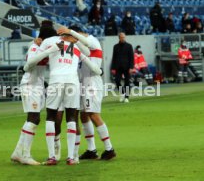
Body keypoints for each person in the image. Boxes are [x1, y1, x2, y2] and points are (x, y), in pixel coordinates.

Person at [57, 26, 116, 161]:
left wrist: (71, 34)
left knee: (93, 114)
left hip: (92, 82)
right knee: (84, 115)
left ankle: (109, 148)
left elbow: (88, 47)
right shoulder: (78, 45)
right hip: (82, 82)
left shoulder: (91, 39)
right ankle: (91, 149)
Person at [24, 31, 81, 166]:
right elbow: (89, 53)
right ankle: (71, 157)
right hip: (73, 81)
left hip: (56, 80)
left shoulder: (51, 42)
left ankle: (52, 157)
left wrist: (34, 43)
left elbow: (32, 60)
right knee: (72, 117)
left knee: (51, 116)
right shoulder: (77, 47)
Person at [10, 26, 57, 166]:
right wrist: (46, 49)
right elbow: (29, 63)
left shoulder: (41, 46)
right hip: (30, 85)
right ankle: (26, 155)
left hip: (38, 85)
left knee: (32, 119)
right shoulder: (34, 48)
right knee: (34, 118)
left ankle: (18, 152)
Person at [111, 33, 134, 103]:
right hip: (118, 67)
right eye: (122, 37)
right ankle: (122, 93)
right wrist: (113, 68)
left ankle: (127, 97)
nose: (123, 38)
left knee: (127, 82)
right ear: (119, 38)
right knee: (117, 81)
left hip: (127, 67)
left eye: (124, 37)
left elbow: (131, 57)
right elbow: (114, 57)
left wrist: (131, 67)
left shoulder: (129, 46)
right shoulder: (115, 46)